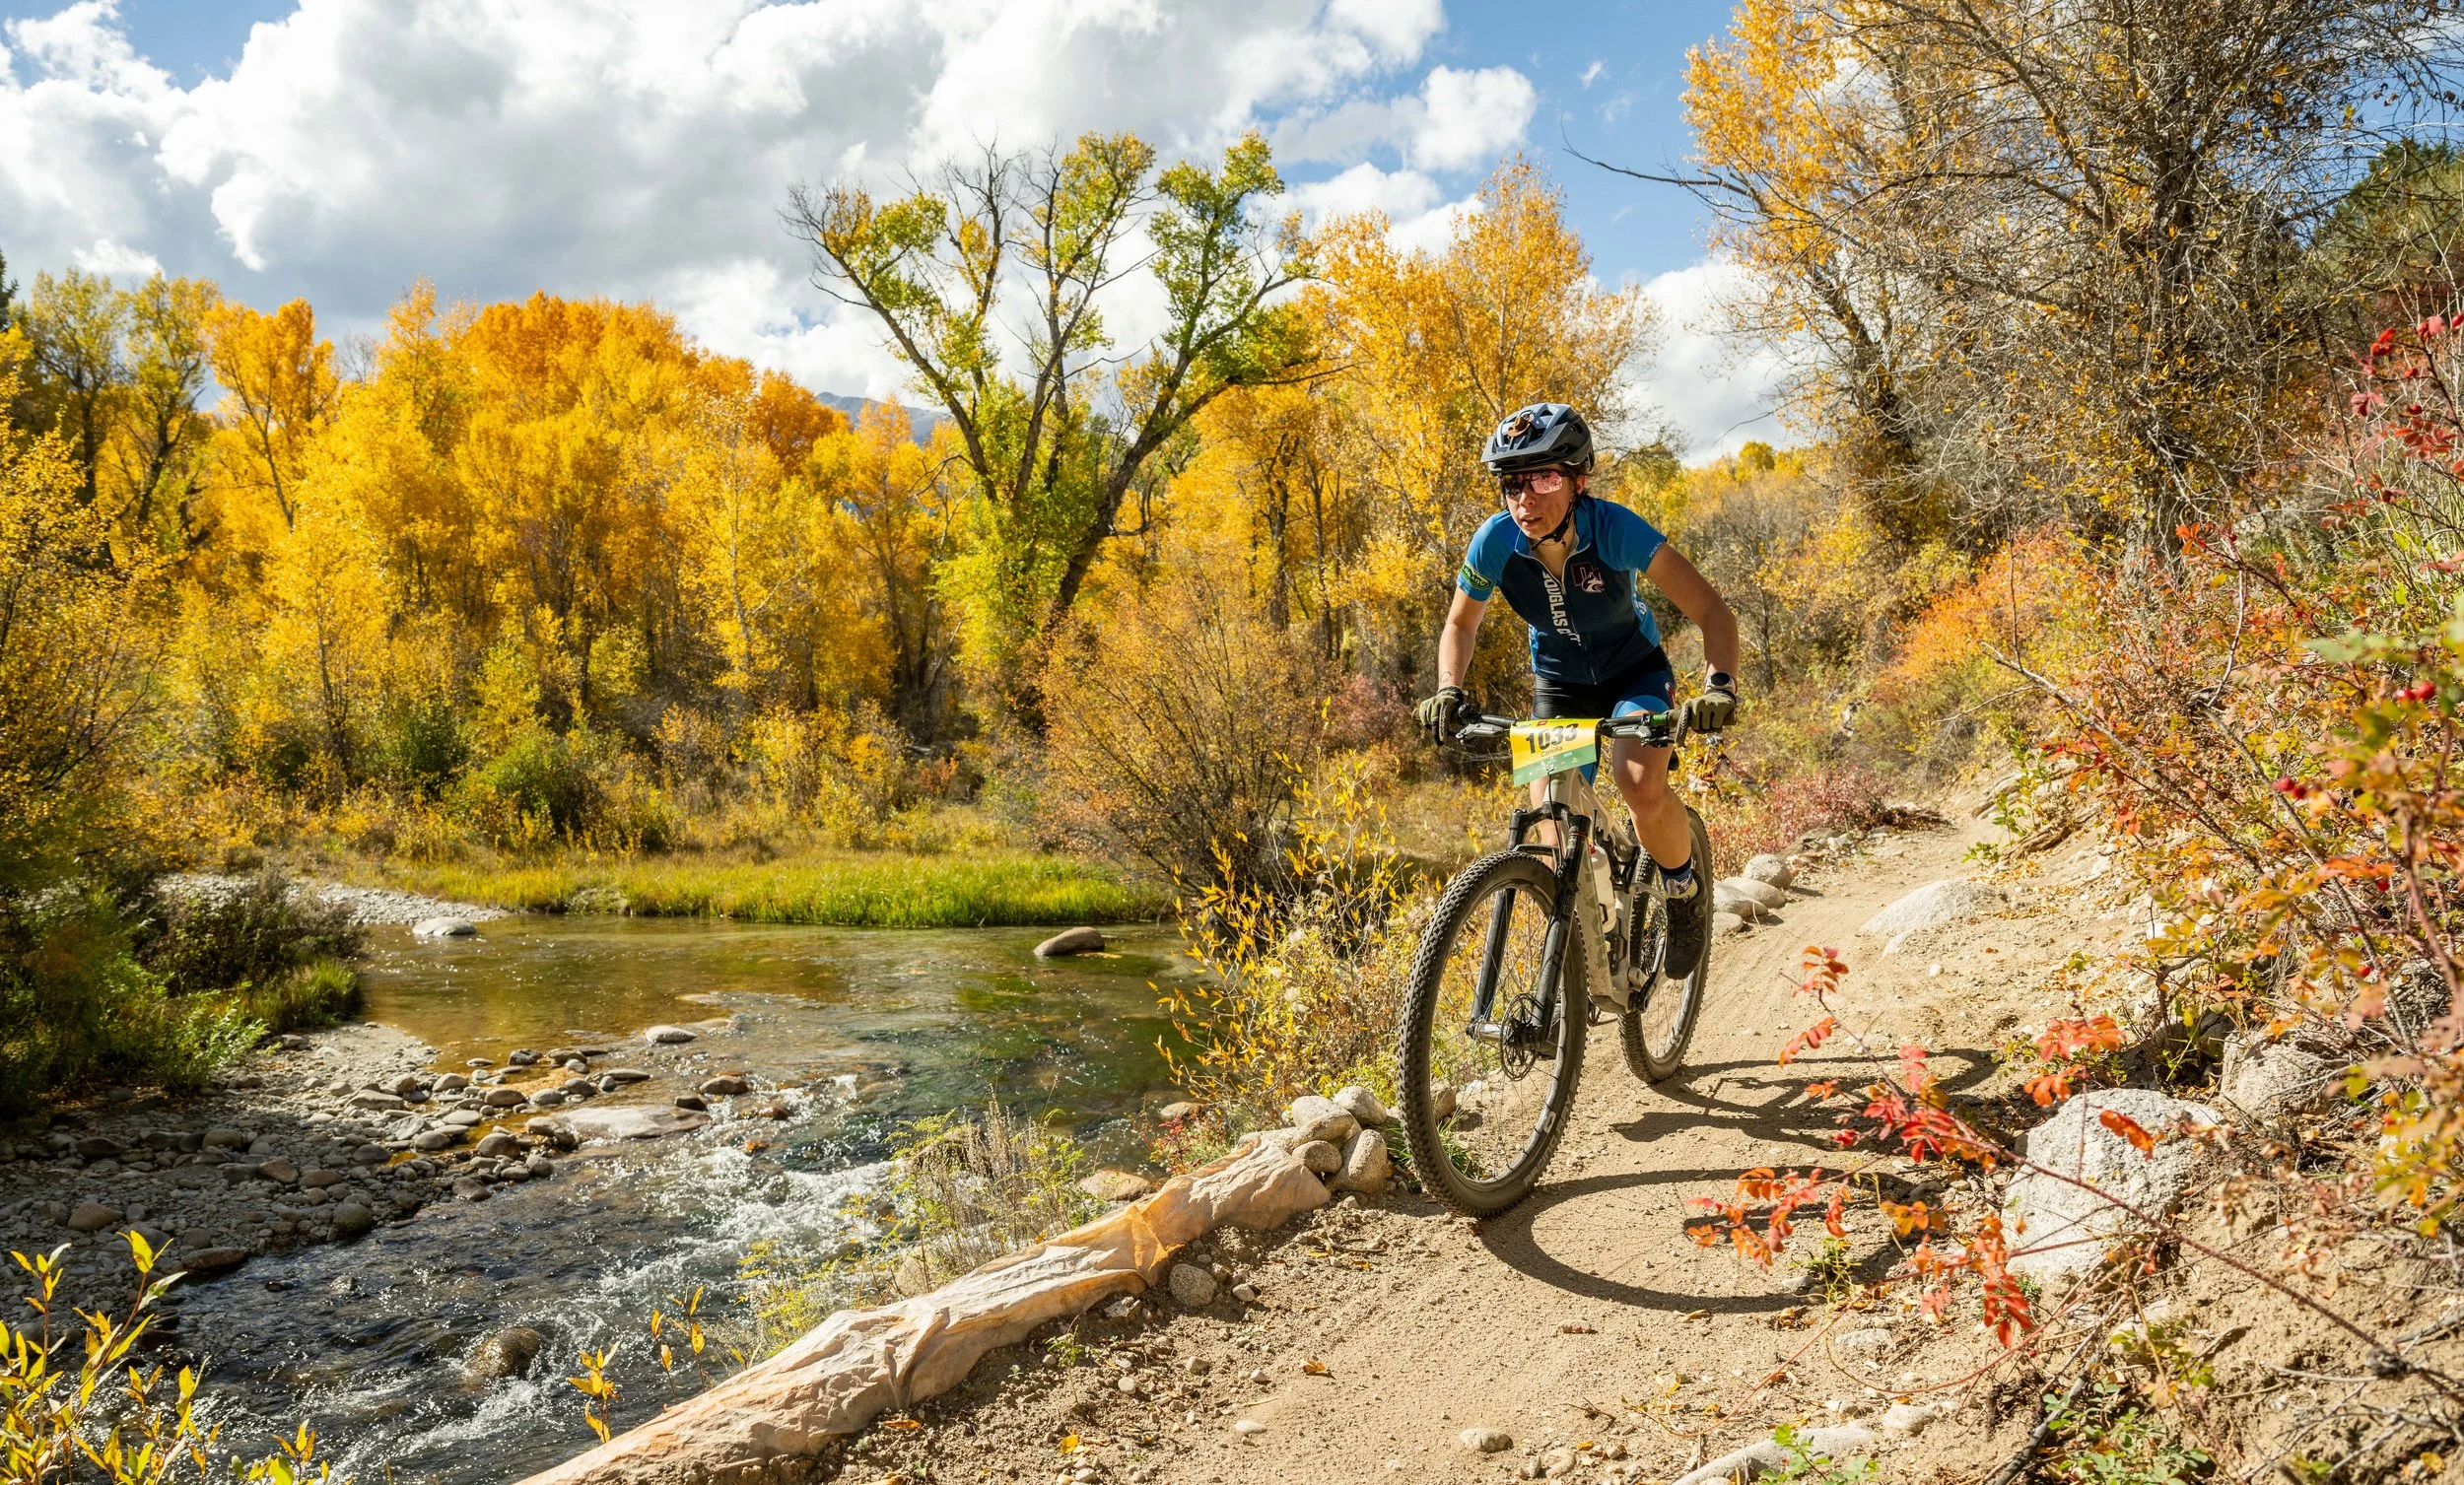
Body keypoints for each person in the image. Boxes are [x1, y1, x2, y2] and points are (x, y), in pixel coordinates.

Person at [1413, 402, 1741, 979]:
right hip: (1560, 684)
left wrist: (1719, 686)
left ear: (1577, 481)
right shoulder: (1494, 542)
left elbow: (1711, 609)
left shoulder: (1614, 528)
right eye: (1513, 483)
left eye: (1544, 479)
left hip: (1633, 672)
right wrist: (1448, 689)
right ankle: (1599, 925)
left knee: (1637, 782)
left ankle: (1683, 889)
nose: (1525, 499)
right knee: (1549, 818)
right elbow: (1460, 625)